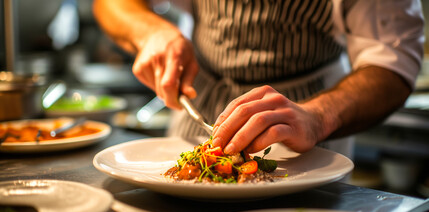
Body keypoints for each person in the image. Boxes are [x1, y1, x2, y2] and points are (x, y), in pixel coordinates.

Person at [93, 0, 424, 158]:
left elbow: (392, 61)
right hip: (199, 111)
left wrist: (317, 118)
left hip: (306, 130)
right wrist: (149, 29)